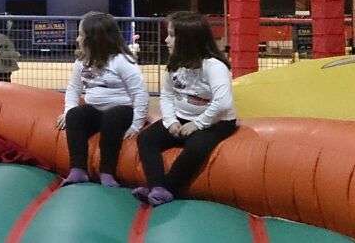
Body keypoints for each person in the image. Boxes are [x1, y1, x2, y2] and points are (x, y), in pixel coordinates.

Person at [133, 12, 237, 206]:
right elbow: (167, 95)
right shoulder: (175, 64)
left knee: (196, 147)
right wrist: (170, 120)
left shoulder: (213, 66)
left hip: (216, 122)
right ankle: (156, 186)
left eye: (172, 35)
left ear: (188, 40)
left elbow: (223, 103)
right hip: (182, 118)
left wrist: (197, 124)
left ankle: (169, 188)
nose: (166, 40)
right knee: (146, 138)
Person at [56, 12, 148, 187]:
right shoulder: (82, 61)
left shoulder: (122, 61)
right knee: (75, 115)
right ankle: (78, 169)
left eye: (81, 35)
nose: (77, 39)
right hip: (96, 110)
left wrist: (136, 124)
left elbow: (140, 94)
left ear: (95, 40)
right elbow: (74, 89)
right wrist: (68, 110)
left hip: (122, 109)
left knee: (112, 118)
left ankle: (107, 171)